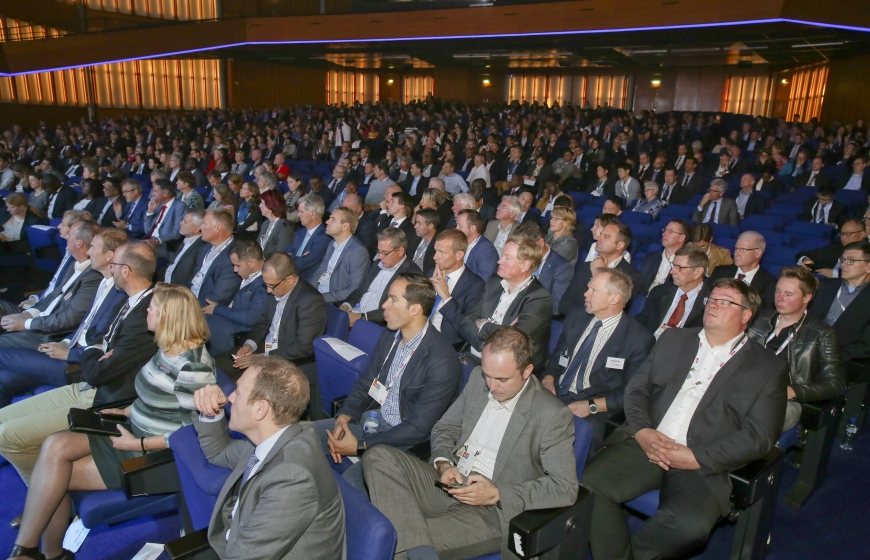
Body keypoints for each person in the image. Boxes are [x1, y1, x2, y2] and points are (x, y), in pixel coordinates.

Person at [583, 278, 788, 560]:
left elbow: (759, 437)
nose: (714, 304)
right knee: (588, 486)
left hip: (703, 462)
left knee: (688, 526)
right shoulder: (674, 339)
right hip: (648, 442)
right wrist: (642, 430)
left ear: (746, 316)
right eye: (711, 299)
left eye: (725, 301)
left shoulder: (767, 367)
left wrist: (695, 457)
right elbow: (636, 390)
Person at [7, 284, 215, 560]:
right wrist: (128, 411)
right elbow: (159, 398)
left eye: (152, 307)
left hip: (152, 451)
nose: (148, 311)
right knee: (53, 446)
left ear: (168, 315)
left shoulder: (194, 368)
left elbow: (191, 433)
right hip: (131, 430)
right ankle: (35, 551)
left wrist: (137, 442)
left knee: (54, 477)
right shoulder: (167, 348)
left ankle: (40, 553)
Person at [362, 327, 579, 559]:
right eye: (488, 374)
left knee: (396, 540)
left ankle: (409, 544)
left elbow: (565, 487)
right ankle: (415, 545)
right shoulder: (478, 378)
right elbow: (446, 428)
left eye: (502, 379)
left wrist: (497, 494)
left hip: (490, 510)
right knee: (377, 456)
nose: (492, 386)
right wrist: (444, 464)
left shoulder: (551, 414)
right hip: (450, 482)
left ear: (527, 371)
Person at [315, 273, 462, 489]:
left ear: (415, 309)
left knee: (349, 486)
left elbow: (418, 428)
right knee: (300, 438)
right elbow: (367, 383)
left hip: (402, 442)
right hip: (372, 421)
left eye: (393, 299)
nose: (384, 305)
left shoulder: (443, 361)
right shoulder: (390, 336)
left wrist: (360, 446)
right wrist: (344, 417)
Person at [192, 356, 345, 560]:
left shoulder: (293, 477)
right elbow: (218, 452)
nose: (230, 398)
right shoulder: (271, 438)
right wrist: (210, 410)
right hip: (237, 539)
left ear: (260, 409)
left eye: (238, 392)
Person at [542, 269, 654, 450]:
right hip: (554, 393)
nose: (586, 294)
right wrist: (548, 379)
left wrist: (591, 406)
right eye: (588, 288)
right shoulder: (577, 316)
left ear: (614, 299)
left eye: (593, 290)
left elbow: (631, 392)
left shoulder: (638, 339)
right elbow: (557, 356)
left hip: (594, 408)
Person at [748, 267, 845, 430]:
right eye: (778, 291)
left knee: (759, 413)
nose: (779, 298)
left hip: (782, 399)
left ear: (807, 297)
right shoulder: (758, 318)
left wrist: (794, 391)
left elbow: (835, 383)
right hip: (744, 386)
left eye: (788, 294)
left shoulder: (821, 333)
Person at [444, 237, 551, 372]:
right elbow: (467, 320)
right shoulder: (494, 282)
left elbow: (514, 340)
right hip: (472, 358)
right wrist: (484, 343)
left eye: (507, 258)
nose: (499, 261)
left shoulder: (539, 297)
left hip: (509, 371)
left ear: (525, 265)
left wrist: (483, 324)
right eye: (502, 256)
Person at [222, 253, 326, 379]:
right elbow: (263, 322)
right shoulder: (274, 287)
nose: (268, 291)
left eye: (271, 285)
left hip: (288, 362)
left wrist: (262, 358)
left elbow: (304, 348)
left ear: (289, 280)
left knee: (236, 385)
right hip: (265, 349)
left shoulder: (310, 301)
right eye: (266, 284)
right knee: (218, 369)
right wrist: (249, 345)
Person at [0, 220, 102, 350]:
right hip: (38, 317)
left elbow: (69, 319)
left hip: (48, 334)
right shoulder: (73, 263)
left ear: (79, 243)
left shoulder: (93, 277)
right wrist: (29, 314)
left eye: (70, 235)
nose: (66, 238)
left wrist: (26, 323)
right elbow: (54, 294)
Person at [807, 241, 870, 374]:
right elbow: (805, 319)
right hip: (806, 350)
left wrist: (827, 357)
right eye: (842, 259)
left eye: (851, 261)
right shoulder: (824, 286)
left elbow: (865, 347)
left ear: (868, 266)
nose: (843, 264)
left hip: (844, 364)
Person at [340, 228, 421, 327]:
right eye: (379, 251)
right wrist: (347, 305)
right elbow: (361, 289)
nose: (380, 256)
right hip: (355, 313)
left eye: (384, 253)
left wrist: (362, 317)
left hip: (376, 324)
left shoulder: (413, 275)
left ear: (400, 251)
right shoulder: (377, 265)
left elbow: (396, 310)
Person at [203, 240, 270, 356]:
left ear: (252, 263)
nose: (234, 270)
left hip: (239, 330)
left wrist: (216, 309)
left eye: (237, 265)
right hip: (229, 318)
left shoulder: (265, 283)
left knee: (198, 323)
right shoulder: (247, 273)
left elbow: (250, 319)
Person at [560, 221, 639, 316]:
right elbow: (564, 304)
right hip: (572, 325)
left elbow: (613, 315)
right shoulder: (585, 266)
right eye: (600, 234)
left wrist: (596, 274)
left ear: (620, 245)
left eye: (606, 237)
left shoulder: (630, 276)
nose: (598, 238)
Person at [638, 246, 711, 337]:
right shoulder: (659, 291)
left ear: (698, 272)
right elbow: (642, 321)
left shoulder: (711, 303)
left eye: (679, 267)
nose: (672, 271)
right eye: (673, 265)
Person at [429, 229, 484, 348]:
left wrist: (446, 297)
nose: (435, 257)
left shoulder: (476, 285)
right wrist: (427, 289)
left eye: (441, 252)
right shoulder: (431, 273)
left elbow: (467, 328)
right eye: (435, 251)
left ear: (459, 255)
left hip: (445, 346)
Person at [312, 207, 371, 304]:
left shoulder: (358, 251)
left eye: (333, 219)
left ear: (345, 226)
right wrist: (309, 291)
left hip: (333, 301)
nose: (327, 222)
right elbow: (320, 271)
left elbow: (354, 289)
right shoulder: (332, 244)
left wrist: (321, 298)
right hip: (319, 295)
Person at [712, 230, 776, 308]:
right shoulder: (719, 272)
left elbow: (763, 316)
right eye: (736, 248)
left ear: (758, 253)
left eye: (743, 249)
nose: (736, 253)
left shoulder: (770, 284)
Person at [190, 209, 240, 306]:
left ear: (217, 228)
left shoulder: (233, 257)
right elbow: (192, 280)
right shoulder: (204, 248)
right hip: (190, 301)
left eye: (204, 224)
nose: (200, 228)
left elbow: (217, 299)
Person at [796, 218, 866, 278]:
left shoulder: (867, 252)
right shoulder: (835, 246)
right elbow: (803, 254)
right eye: (842, 234)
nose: (843, 237)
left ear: (861, 235)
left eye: (848, 234)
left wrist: (835, 274)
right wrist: (805, 260)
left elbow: (864, 275)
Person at [637, 219, 689, 294]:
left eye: (670, 231)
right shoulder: (651, 257)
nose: (664, 234)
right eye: (665, 230)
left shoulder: (685, 265)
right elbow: (640, 285)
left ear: (681, 238)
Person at [288, 194, 330, 284]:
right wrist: (296, 257)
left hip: (305, 283)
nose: (298, 215)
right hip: (291, 277)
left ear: (313, 214)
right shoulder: (300, 232)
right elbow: (287, 252)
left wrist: (292, 257)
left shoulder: (324, 237)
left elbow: (301, 264)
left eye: (301, 212)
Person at [456, 209, 499, 281]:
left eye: (460, 226)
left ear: (472, 228)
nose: (456, 228)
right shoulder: (457, 242)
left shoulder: (487, 250)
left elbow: (482, 280)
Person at [256, 189, 293, 260]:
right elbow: (257, 246)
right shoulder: (266, 223)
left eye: (262, 203)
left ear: (270, 205)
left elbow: (280, 256)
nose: (260, 206)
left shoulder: (284, 228)